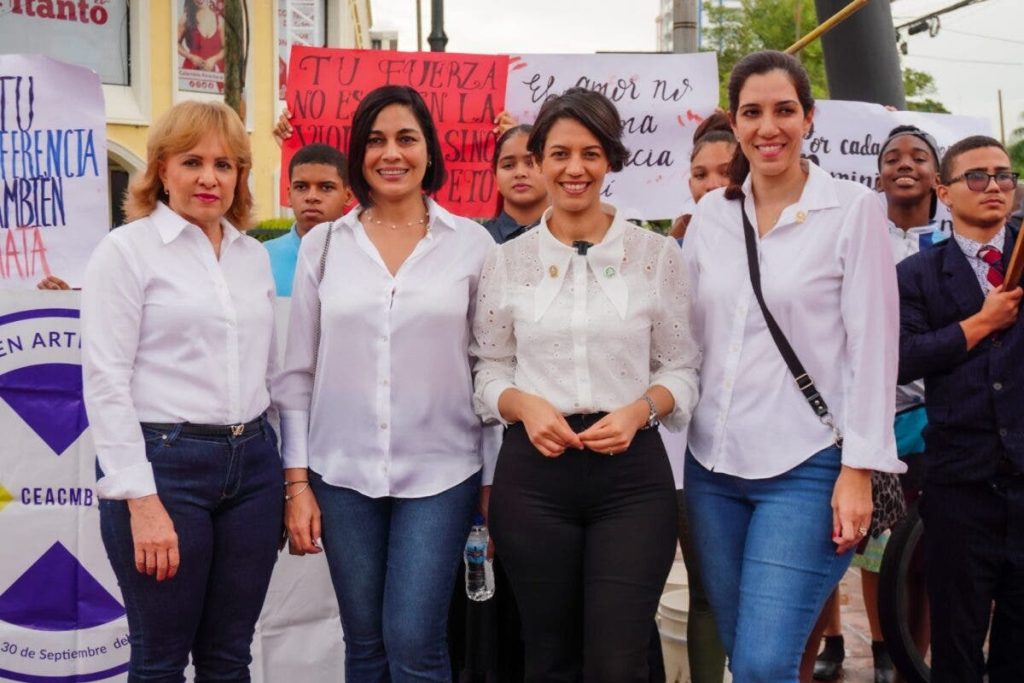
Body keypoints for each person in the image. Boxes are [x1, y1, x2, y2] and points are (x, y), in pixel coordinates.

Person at [680, 50, 904, 682]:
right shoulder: (708, 219)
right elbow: (685, 341)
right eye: (752, 112)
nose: (767, 127)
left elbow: (875, 348)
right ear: (735, 121)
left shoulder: (854, 209)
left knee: (761, 661)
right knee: (747, 652)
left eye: (784, 110)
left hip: (807, 470)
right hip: (712, 469)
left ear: (808, 118)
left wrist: (858, 469)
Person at [471, 87, 700, 682]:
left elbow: (680, 368)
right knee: (549, 658)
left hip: (632, 479)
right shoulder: (506, 261)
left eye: (591, 153)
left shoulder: (656, 255)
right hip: (535, 478)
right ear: (539, 160)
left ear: (611, 161)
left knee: (617, 659)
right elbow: (487, 369)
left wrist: (640, 410)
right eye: (560, 153)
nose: (575, 169)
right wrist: (518, 403)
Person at [276, 84, 498, 682]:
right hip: (340, 472)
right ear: (358, 154)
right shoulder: (322, 246)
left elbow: (490, 369)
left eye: (406, 138)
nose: (390, 153)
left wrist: (491, 485)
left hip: (443, 473)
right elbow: (297, 371)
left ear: (429, 151)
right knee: (365, 642)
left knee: (415, 640)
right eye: (375, 140)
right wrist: (296, 484)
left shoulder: (473, 245)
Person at [81, 100, 282, 681]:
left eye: (226, 165)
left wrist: (288, 478)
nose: (209, 178)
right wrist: (140, 501)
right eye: (192, 161)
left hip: (253, 471)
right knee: (161, 659)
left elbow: (269, 377)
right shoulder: (125, 252)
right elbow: (106, 380)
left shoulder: (253, 258)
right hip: (164, 470)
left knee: (229, 657)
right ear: (161, 169)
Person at [811, 124, 943, 683]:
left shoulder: (959, 239)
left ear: (939, 175)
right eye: (892, 157)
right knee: (869, 546)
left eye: (918, 156)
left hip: (938, 422)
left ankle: (917, 658)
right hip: (870, 417)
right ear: (877, 174)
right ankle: (875, 645)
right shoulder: (856, 232)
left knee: (929, 554)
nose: (904, 165)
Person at [896, 135, 1023, 683]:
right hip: (958, 483)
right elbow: (899, 358)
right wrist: (979, 325)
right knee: (957, 639)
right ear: (944, 192)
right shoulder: (917, 274)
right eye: (977, 177)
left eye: (1004, 175)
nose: (993, 186)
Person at [664, 111, 736, 683]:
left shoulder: (786, 240)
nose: (711, 183)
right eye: (698, 173)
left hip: (748, 450)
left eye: (723, 170)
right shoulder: (665, 251)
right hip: (673, 448)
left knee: (729, 593)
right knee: (693, 592)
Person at [264, 143, 352, 296]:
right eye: (301, 187)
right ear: (289, 195)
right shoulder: (263, 257)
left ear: (348, 196)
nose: (312, 197)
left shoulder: (366, 256)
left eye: (326, 187)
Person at [670, 112, 736, 245]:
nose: (712, 185)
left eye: (726, 172)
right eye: (700, 175)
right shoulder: (677, 250)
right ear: (690, 184)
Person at [482, 124, 549, 243]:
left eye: (531, 163)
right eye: (508, 165)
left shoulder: (571, 237)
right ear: (495, 176)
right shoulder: (479, 239)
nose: (520, 173)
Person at [178, 0, 225, 73]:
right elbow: (175, 44)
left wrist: (214, 59)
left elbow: (227, 48)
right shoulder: (186, 18)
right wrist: (191, 57)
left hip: (215, 74)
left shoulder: (220, 20)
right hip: (190, 72)